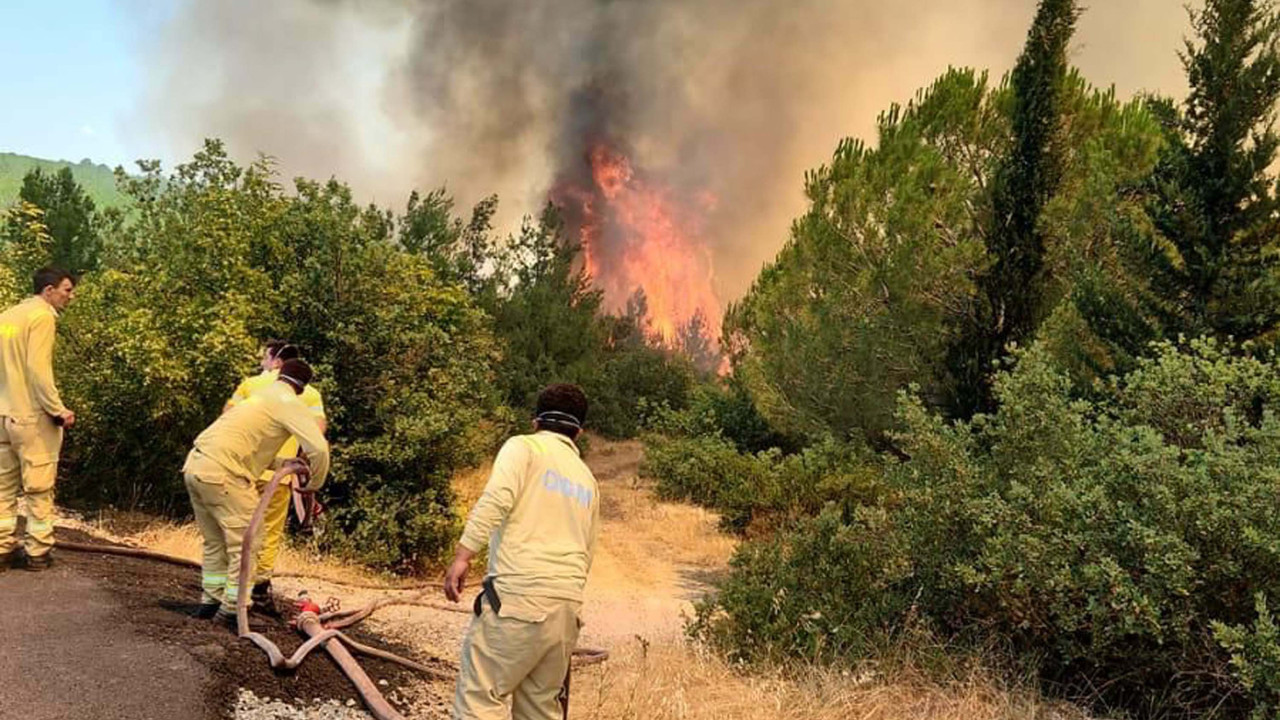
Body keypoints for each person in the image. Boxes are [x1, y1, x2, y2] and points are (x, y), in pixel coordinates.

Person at [445, 383, 599, 720]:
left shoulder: (523, 448)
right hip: (566, 608)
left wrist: (463, 557)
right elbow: (587, 549)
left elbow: (496, 500)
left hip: (519, 598)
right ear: (579, 432)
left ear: (535, 421)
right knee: (540, 709)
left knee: (480, 699)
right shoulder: (587, 478)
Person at [184, 358, 330, 626]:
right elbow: (318, 449)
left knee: (216, 541)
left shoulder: (260, 396)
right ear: (302, 387)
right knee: (250, 541)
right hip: (223, 473)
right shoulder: (289, 403)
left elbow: (246, 445)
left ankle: (210, 602)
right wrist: (313, 485)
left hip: (197, 465)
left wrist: (280, 464)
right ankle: (232, 610)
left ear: (280, 375)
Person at [223, 341, 326, 607]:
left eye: (263, 358)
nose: (261, 363)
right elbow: (318, 432)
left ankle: (230, 583)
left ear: (275, 360)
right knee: (269, 531)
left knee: (238, 524)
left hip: (244, 469)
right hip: (279, 476)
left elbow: (227, 416)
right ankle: (258, 588)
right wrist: (301, 466)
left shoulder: (251, 384)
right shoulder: (310, 393)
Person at [0, 267, 76, 572]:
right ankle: (38, 550)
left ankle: (2, 547)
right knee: (39, 485)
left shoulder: (7, 318)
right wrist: (58, 409)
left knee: (3, 487)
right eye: (67, 290)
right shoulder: (42, 317)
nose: (71, 296)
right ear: (49, 290)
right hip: (31, 416)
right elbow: (38, 370)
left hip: (4, 413)